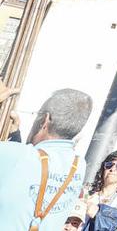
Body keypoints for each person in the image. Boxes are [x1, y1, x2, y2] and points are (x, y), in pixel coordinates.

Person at [0, 84, 92, 231]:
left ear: (46, 120)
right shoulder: (79, 165)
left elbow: (21, 162)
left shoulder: (17, 156)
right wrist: (15, 136)